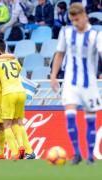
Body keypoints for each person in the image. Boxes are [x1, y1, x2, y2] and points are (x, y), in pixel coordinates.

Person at [51, 3, 102, 165]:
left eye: (77, 20)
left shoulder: (96, 34)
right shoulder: (66, 33)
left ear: (84, 16)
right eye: (72, 20)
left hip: (89, 83)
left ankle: (89, 157)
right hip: (71, 82)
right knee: (70, 115)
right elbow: (59, 54)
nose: (75, 23)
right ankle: (77, 153)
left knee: (90, 120)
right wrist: (53, 76)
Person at [0, 39, 36, 159]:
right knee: (18, 122)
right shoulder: (13, 61)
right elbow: (18, 67)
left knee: (6, 125)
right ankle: (28, 150)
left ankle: (15, 152)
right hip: (20, 92)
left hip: (6, 95)